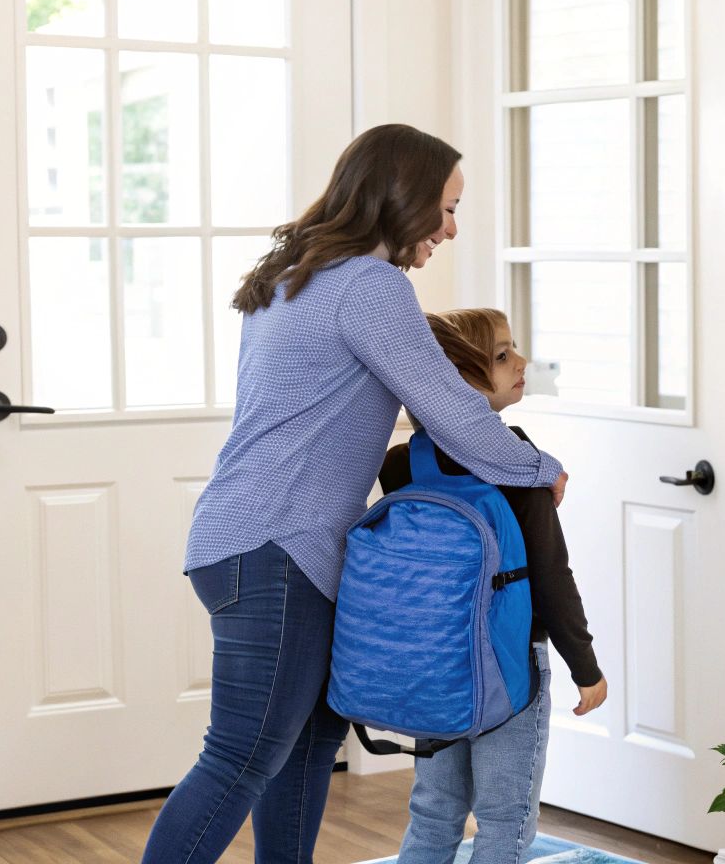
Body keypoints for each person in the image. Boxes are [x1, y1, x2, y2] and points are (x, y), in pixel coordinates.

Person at [143, 125, 568, 864]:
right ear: (402, 198)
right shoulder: (370, 287)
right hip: (277, 546)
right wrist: (541, 468)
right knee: (242, 758)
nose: (451, 228)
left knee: (308, 749)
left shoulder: (294, 273)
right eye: (446, 207)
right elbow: (452, 408)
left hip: (257, 543)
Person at [378, 308, 608, 864]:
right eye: (502, 355)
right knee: (506, 821)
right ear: (453, 380)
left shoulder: (401, 464)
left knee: (434, 813)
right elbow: (552, 575)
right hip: (509, 664)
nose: (521, 363)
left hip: (435, 661)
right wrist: (586, 667)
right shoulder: (516, 459)